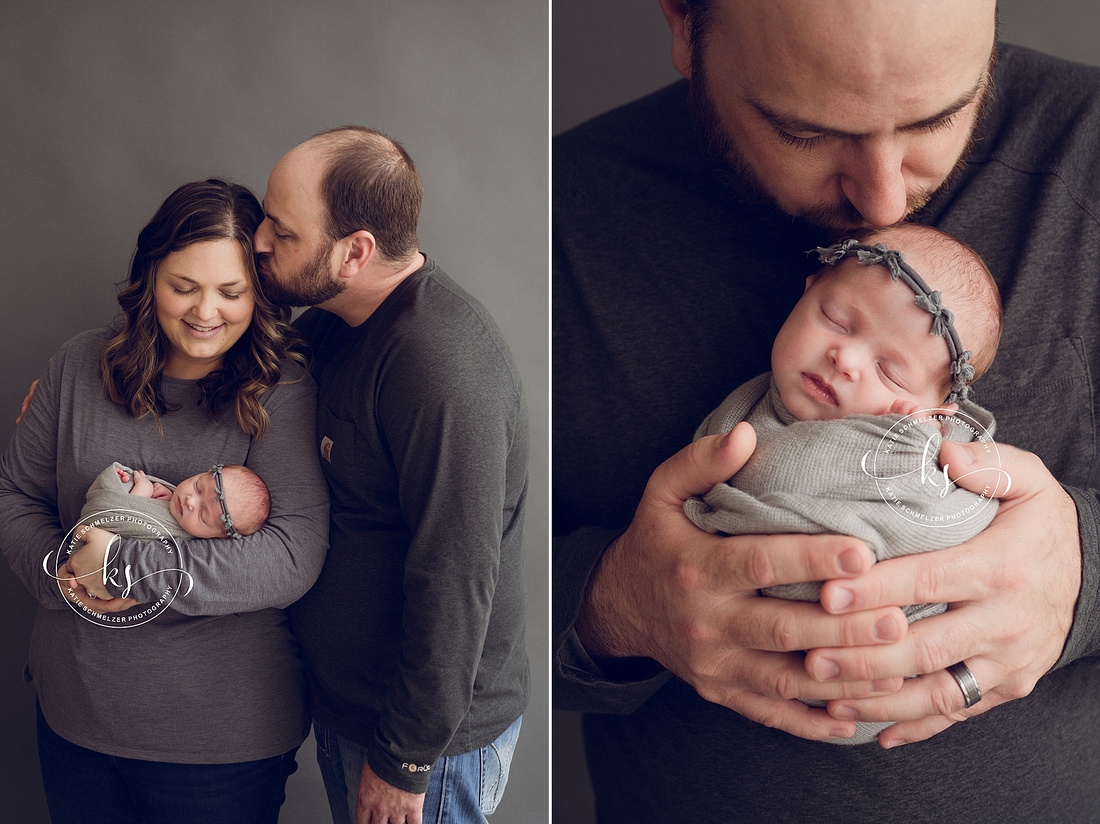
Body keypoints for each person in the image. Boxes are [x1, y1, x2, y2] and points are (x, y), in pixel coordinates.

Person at [554, 0, 1100, 820]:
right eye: (805, 133)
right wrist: (613, 605)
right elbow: (440, 581)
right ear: (682, 23)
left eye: (941, 114)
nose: (884, 203)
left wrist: (1082, 578)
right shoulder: (568, 207)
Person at [0, 179, 329, 824]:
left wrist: (127, 571)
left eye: (231, 293)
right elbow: (15, 495)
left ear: (257, 293)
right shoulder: (75, 369)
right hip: (73, 721)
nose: (206, 312)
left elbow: (294, 554)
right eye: (184, 287)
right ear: (150, 278)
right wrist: (66, 576)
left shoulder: (282, 388)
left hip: (219, 747)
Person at [253, 126, 530, 824]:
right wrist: (91, 382)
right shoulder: (332, 324)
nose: (258, 240)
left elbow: (458, 575)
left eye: (281, 231)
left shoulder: (440, 365)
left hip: (423, 746)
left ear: (355, 252)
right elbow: (231, 377)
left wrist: (405, 759)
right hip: (350, 710)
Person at [684, 223, 1004, 744]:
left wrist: (915, 447)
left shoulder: (912, 444)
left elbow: (952, 522)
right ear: (807, 292)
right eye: (835, 319)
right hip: (736, 647)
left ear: (933, 410)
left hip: (882, 655)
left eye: (893, 374)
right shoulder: (748, 405)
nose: (846, 360)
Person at [77, 461, 270, 541]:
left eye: (203, 515)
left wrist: (141, 494)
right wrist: (164, 500)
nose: (190, 501)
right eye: (198, 487)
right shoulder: (175, 500)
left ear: (216, 538)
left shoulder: (182, 543)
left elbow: (119, 519)